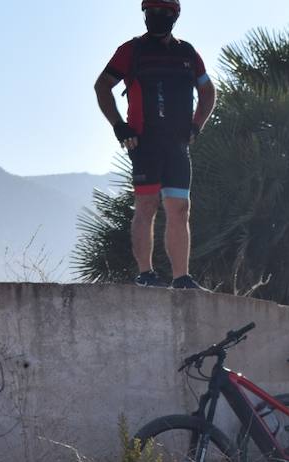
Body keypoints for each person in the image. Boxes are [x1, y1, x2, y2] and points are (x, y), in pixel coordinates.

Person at [94, 0, 216, 290]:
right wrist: (119, 126)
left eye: (162, 12)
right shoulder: (131, 50)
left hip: (177, 144)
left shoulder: (187, 53)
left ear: (174, 16)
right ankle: (145, 274)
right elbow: (102, 86)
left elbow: (208, 90)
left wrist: (197, 125)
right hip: (144, 140)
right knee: (146, 205)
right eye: (150, 12)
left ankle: (181, 278)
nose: (155, 17)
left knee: (180, 208)